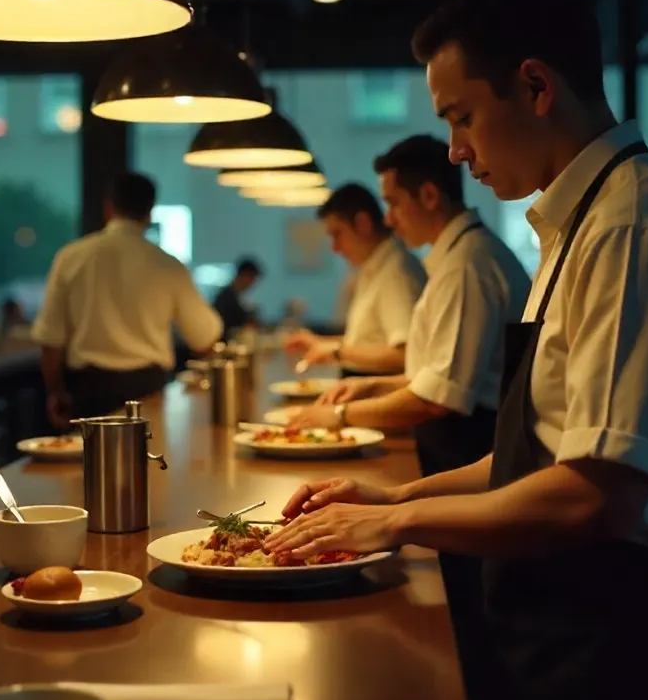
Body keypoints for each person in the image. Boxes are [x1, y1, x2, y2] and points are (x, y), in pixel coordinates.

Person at [266, 0, 648, 700]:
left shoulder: (630, 228)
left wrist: (394, 522)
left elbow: (596, 495)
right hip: (576, 618)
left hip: (636, 643)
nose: (455, 151)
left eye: (461, 118)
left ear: (535, 86)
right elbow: (536, 451)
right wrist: (397, 492)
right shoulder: (577, 224)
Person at [288, 135, 529, 482]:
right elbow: (431, 374)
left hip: (468, 448)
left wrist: (340, 415)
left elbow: (438, 399)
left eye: (394, 203)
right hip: (456, 441)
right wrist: (372, 386)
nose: (389, 219)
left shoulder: (467, 264)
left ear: (429, 196)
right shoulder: (459, 257)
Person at [32, 171, 222, 425]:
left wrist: (56, 392)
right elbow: (204, 338)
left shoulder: (72, 257)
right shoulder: (166, 264)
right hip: (148, 391)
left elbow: (50, 341)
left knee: (89, 463)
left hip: (89, 391)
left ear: (108, 206)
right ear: (150, 211)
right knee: (150, 460)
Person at [284, 183, 426, 377]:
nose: (335, 248)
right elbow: (369, 341)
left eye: (337, 234)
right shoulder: (376, 266)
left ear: (363, 223)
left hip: (382, 397)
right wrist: (321, 344)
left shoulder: (396, 272)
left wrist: (336, 351)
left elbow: (406, 355)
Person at [213, 257, 263, 338]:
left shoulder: (237, 295)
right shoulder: (225, 297)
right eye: (252, 278)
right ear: (244, 275)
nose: (252, 284)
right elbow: (225, 327)